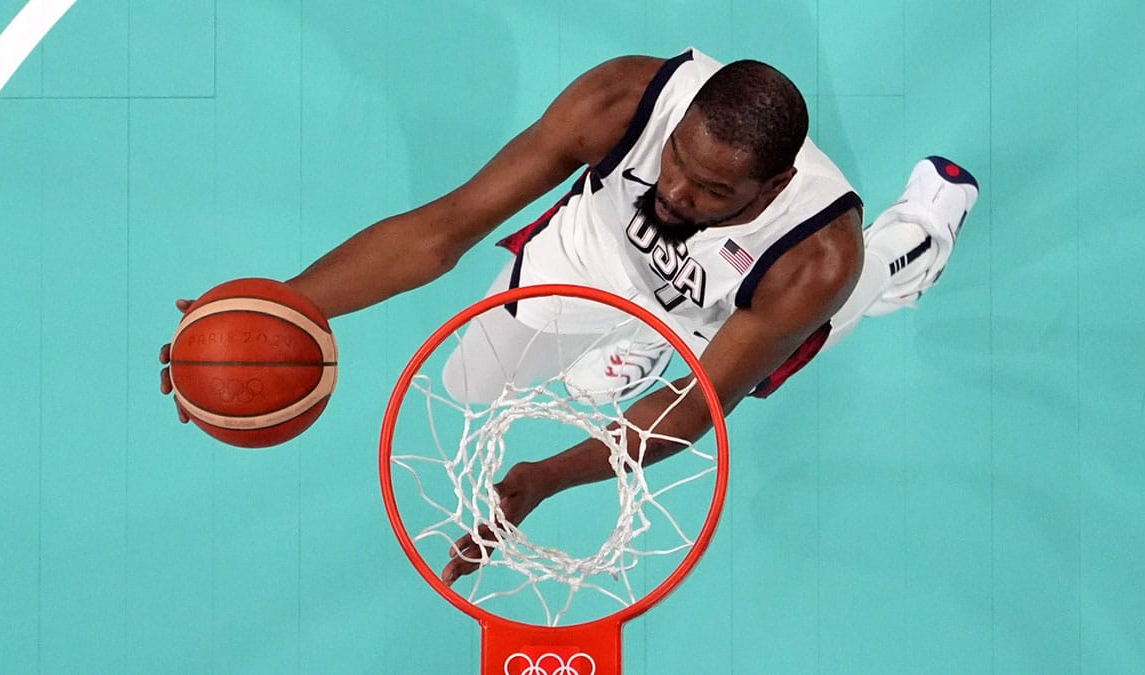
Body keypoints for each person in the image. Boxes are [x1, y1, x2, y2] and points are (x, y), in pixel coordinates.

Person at [159, 47, 978, 585]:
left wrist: (547, 478)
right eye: (677, 163)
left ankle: (917, 239)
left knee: (850, 294)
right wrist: (279, 307)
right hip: (595, 252)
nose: (677, 193)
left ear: (768, 190)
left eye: (713, 192)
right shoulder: (622, 101)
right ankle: (617, 338)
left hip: (715, 315)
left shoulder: (813, 255)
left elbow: (692, 409)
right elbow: (443, 229)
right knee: (470, 379)